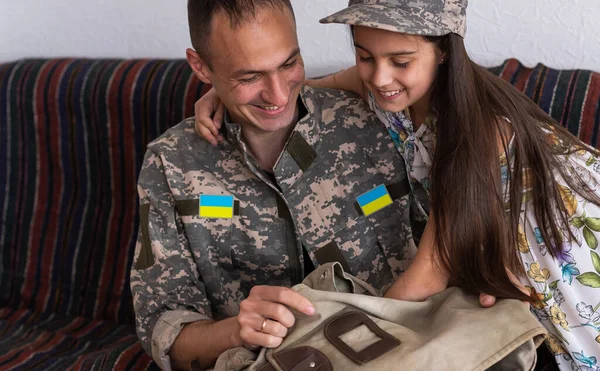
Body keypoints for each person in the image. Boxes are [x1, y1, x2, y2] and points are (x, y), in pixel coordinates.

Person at [194, 0, 600, 370]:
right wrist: (226, 91)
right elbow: (301, 91)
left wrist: (338, 343)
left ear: (443, 50)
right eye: (365, 56)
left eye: (400, 61)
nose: (380, 76)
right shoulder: (393, 90)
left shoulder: (478, 132)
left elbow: (424, 279)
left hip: (571, 282)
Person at [130, 1, 420, 370]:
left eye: (289, 64)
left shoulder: (375, 118)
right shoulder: (170, 164)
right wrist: (236, 331)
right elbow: (162, 325)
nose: (279, 96)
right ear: (200, 66)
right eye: (249, 77)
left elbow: (459, 87)